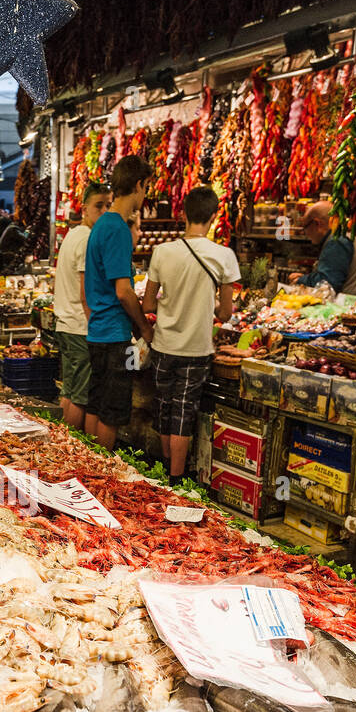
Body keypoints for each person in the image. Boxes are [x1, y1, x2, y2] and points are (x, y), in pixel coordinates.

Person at [142, 185, 241, 482]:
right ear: (213, 216)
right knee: (184, 410)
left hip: (163, 344)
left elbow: (147, 303)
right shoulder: (224, 255)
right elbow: (225, 314)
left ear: (183, 214)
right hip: (197, 349)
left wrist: (171, 305)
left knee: (163, 406)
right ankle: (176, 479)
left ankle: (162, 470)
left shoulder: (162, 252)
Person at [83, 154, 152, 450]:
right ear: (138, 185)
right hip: (115, 337)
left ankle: (87, 465)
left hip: (98, 332)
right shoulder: (118, 230)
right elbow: (124, 291)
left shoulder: (101, 225)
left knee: (95, 406)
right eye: (146, 187)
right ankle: (100, 475)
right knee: (111, 412)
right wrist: (143, 328)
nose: (145, 195)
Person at [53, 182, 110, 429]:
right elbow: (87, 292)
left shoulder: (74, 234)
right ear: (84, 207)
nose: (105, 211)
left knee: (70, 390)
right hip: (79, 327)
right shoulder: (87, 239)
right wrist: (96, 326)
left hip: (66, 324)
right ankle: (74, 445)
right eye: (99, 205)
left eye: (109, 205)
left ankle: (63, 444)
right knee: (80, 397)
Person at [288, 201, 356, 296]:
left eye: (305, 227)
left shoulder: (337, 241)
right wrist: (309, 278)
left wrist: (300, 280)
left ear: (317, 223)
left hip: (348, 306)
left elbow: (327, 284)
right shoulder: (342, 236)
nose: (305, 233)